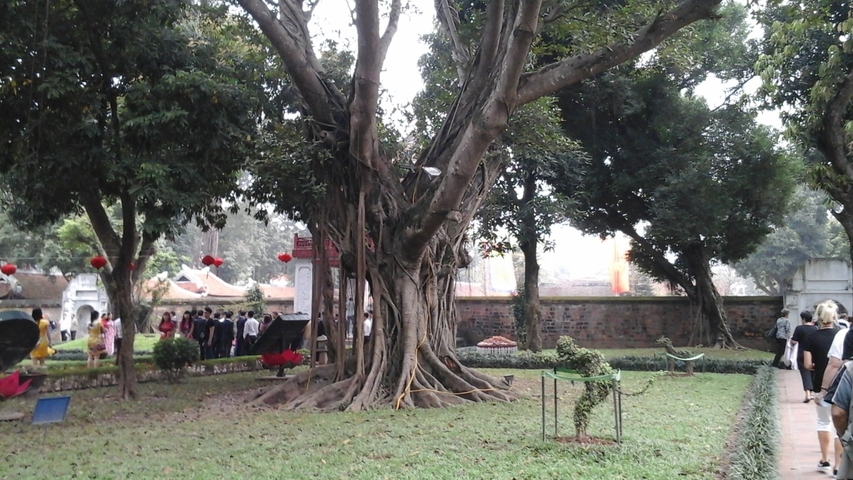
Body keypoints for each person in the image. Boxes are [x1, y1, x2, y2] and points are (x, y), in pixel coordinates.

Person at [804, 300, 842, 474]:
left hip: (821, 383)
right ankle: (838, 466)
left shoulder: (811, 337)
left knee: (823, 421)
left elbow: (807, 364)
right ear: (834, 316)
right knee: (840, 426)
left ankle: (825, 460)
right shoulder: (843, 335)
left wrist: (816, 365)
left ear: (818, 317)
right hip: (842, 385)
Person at [790, 310, 818, 402]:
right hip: (814, 353)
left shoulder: (799, 328)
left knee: (805, 373)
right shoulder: (816, 329)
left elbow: (794, 341)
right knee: (813, 373)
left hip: (802, 352)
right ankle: (813, 393)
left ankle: (808, 394)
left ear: (804, 319)